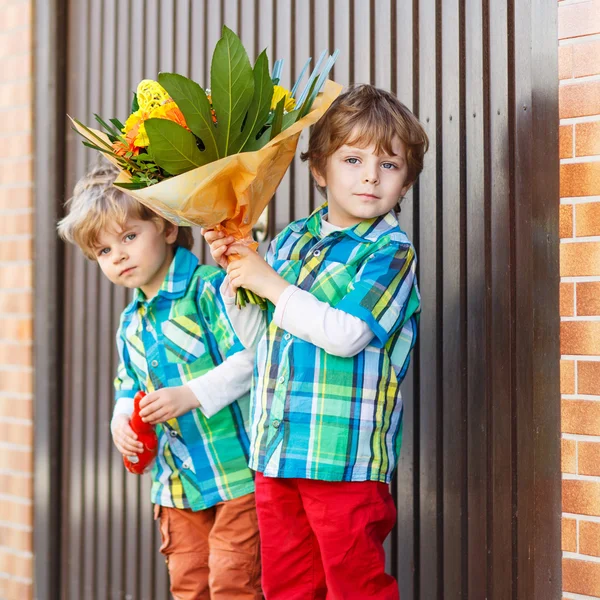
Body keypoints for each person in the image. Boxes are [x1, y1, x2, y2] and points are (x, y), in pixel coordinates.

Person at [203, 84, 428, 600]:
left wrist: (268, 282)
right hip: (277, 452)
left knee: (355, 586)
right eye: (353, 159)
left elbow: (347, 335)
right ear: (319, 169)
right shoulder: (290, 240)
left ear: (406, 182)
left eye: (389, 165)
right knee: (287, 587)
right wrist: (238, 283)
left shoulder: (389, 254)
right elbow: (262, 343)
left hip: (341, 460)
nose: (370, 175)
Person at [58, 160, 262, 600]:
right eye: (104, 251)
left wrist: (192, 394)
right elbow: (127, 383)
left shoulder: (207, 289)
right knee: (189, 584)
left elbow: (251, 358)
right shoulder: (130, 321)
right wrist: (119, 418)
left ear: (168, 229)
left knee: (233, 583)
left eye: (129, 237)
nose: (120, 256)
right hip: (176, 483)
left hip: (236, 474)